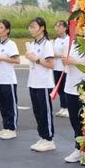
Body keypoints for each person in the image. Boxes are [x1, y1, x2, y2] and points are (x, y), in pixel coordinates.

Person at [26, 17, 56, 152]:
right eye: (30, 27)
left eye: (33, 27)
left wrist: (36, 59)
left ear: (42, 28)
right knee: (37, 111)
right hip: (33, 81)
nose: (31, 29)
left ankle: (49, 139)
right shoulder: (33, 44)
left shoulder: (47, 44)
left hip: (44, 83)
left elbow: (51, 64)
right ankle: (42, 137)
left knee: (45, 111)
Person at [0, 19, 20, 140]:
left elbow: (17, 60)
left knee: (10, 105)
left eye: (2, 28)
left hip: (8, 80)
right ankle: (5, 127)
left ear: (7, 30)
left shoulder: (11, 44)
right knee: (2, 104)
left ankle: (12, 129)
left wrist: (2, 59)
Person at [52, 20, 69, 118]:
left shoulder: (68, 39)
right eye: (56, 26)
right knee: (59, 89)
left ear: (65, 28)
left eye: (59, 26)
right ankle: (63, 107)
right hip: (56, 67)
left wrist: (57, 55)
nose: (57, 28)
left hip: (64, 68)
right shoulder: (56, 40)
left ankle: (67, 108)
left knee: (64, 87)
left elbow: (66, 54)